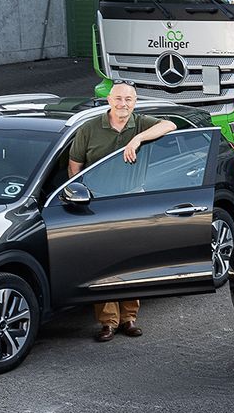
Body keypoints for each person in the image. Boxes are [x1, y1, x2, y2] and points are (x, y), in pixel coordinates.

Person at [67, 82, 176, 341]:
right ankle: (108, 323)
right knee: (104, 264)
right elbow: (74, 165)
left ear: (135, 102)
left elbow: (170, 126)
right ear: (108, 100)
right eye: (118, 99)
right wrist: (82, 195)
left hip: (132, 203)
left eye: (128, 99)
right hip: (99, 204)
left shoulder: (140, 123)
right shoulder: (89, 129)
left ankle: (128, 319)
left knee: (130, 262)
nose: (123, 104)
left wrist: (138, 138)